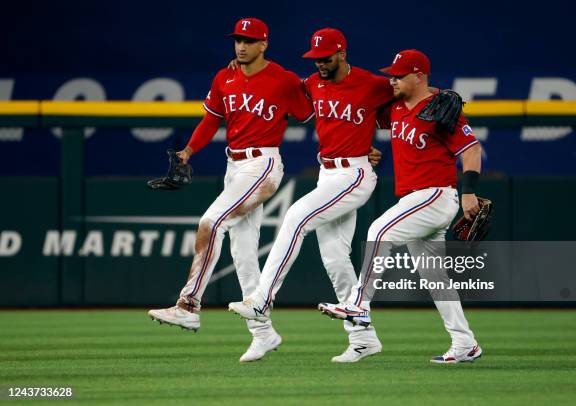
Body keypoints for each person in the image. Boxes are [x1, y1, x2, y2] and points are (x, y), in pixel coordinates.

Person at [148, 17, 314, 363]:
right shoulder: (224, 77)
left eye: (249, 40)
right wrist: (188, 151)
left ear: (263, 44)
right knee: (243, 253)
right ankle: (263, 333)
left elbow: (309, 113)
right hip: (234, 167)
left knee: (211, 222)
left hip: (262, 165)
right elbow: (211, 120)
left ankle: (188, 305)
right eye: (238, 39)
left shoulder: (282, 79)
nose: (241, 46)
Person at [229, 28, 394, 363]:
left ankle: (262, 298)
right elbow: (276, 82)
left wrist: (446, 96)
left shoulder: (371, 84)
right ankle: (363, 338)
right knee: (335, 257)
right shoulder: (311, 84)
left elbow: (410, 95)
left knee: (296, 216)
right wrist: (245, 66)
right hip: (328, 173)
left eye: (326, 57)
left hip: (355, 173)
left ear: (342, 54)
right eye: (316, 58)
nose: (320, 63)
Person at [318, 49, 484, 364]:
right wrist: (361, 149)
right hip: (415, 199)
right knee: (435, 278)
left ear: (419, 75)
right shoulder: (395, 109)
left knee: (379, 229)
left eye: (399, 75)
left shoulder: (439, 109)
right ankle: (465, 342)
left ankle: (359, 303)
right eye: (391, 74)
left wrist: (468, 192)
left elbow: (472, 149)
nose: (391, 80)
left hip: (434, 195)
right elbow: (360, 117)